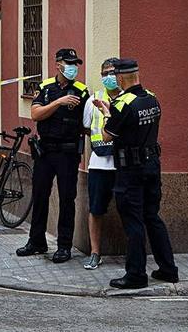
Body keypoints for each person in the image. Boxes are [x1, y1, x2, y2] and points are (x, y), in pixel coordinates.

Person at [96, 59, 179, 289]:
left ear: (121, 78)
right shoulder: (152, 98)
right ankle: (168, 269)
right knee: (152, 217)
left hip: (131, 171)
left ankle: (135, 275)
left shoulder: (122, 104)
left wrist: (105, 112)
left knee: (133, 222)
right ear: (137, 75)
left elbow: (106, 136)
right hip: (152, 165)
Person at [17, 48, 90, 263]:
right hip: (45, 151)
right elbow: (35, 114)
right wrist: (59, 102)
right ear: (58, 64)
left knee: (68, 199)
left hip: (68, 153)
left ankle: (64, 246)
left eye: (75, 64)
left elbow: (86, 124)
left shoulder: (82, 91)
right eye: (69, 63)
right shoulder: (45, 87)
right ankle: (36, 241)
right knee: (40, 196)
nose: (72, 68)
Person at [82, 58, 121, 270]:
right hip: (99, 163)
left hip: (123, 164)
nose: (109, 76)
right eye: (105, 72)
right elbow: (87, 128)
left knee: (130, 210)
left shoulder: (129, 98)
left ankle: (133, 254)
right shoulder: (93, 99)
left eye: (113, 72)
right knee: (96, 209)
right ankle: (95, 253)